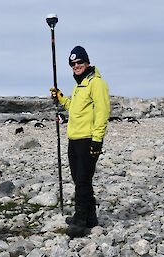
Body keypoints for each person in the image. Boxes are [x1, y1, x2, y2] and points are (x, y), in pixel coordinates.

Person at [50, 46, 110, 238]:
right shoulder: (80, 85)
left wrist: (97, 140)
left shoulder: (96, 83)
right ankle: (90, 217)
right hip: (74, 140)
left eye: (79, 62)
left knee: (82, 181)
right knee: (79, 179)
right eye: (73, 64)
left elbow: (102, 112)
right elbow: (75, 107)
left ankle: (79, 220)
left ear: (87, 62)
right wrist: (61, 99)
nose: (76, 66)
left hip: (87, 140)